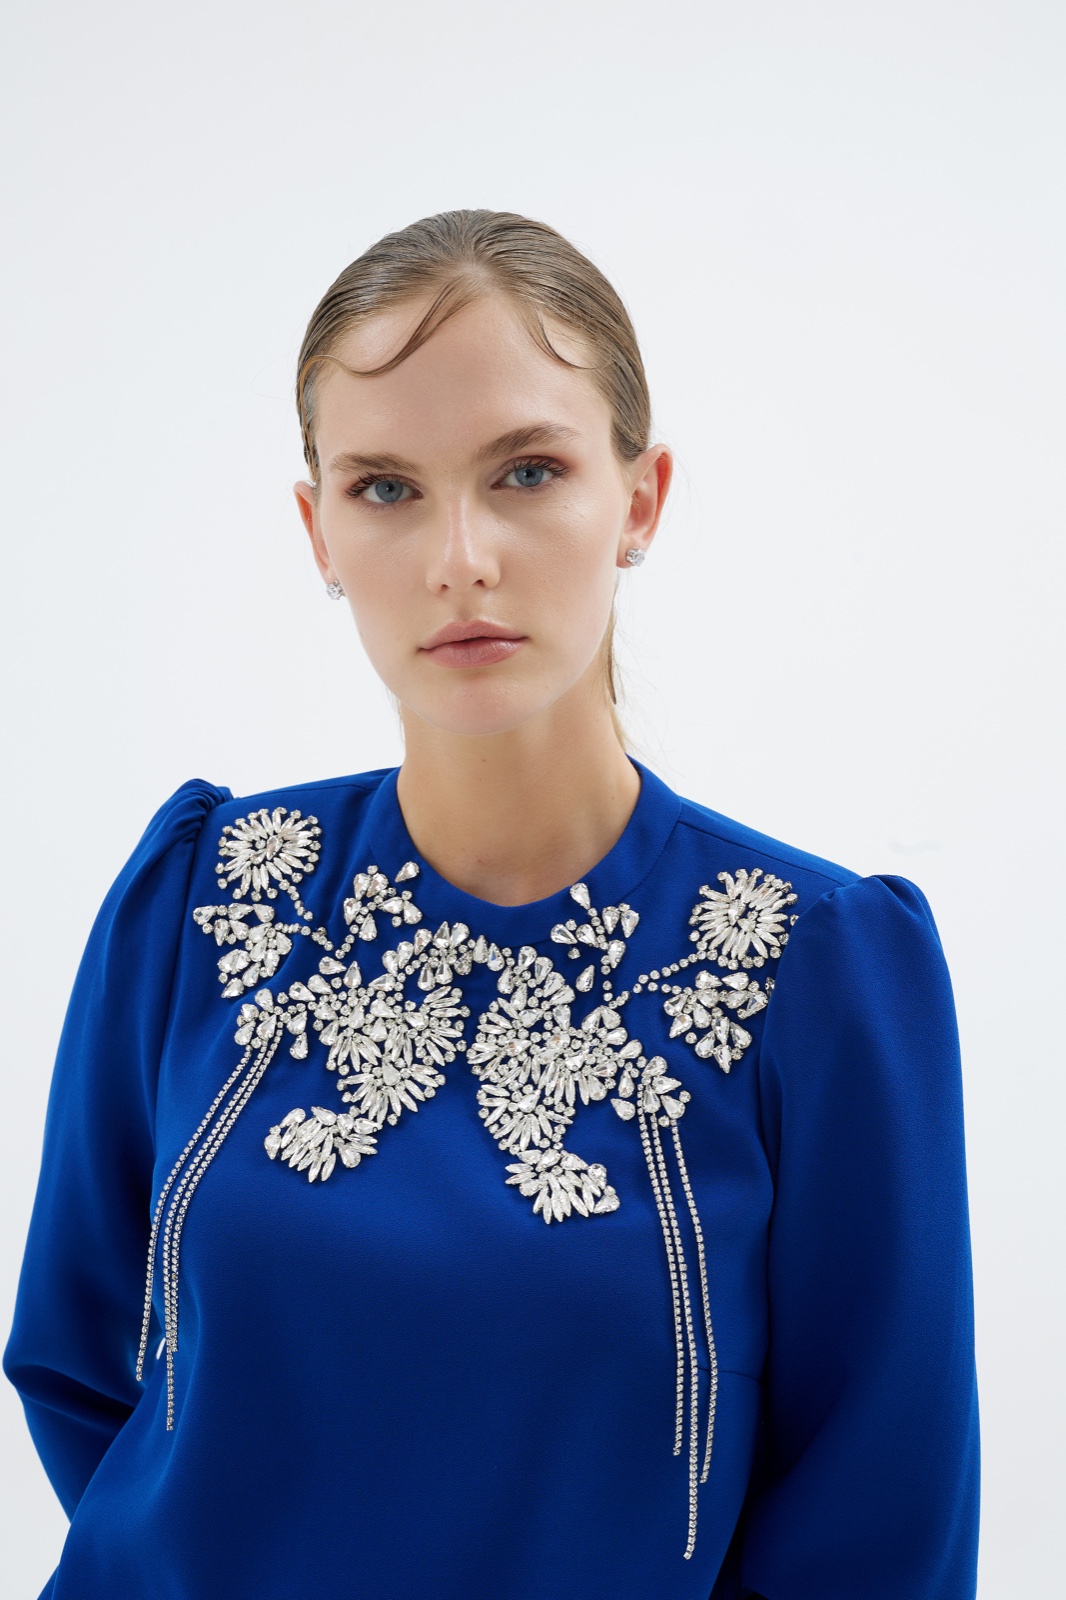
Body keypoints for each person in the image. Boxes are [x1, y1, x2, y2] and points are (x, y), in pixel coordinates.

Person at [4, 210, 979, 1600]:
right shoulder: (204, 900)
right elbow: (75, 1358)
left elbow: (880, 1526)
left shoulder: (814, 969)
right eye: (385, 488)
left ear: (639, 499)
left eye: (526, 471)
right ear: (318, 530)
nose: (459, 555)